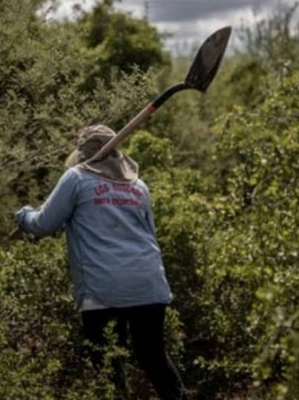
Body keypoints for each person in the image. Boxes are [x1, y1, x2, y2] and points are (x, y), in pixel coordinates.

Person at [15, 125, 185, 400]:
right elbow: (150, 234)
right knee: (154, 359)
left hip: (102, 289)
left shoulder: (76, 178)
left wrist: (23, 216)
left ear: (83, 153)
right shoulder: (138, 186)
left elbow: (43, 224)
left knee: (108, 367)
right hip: (148, 282)